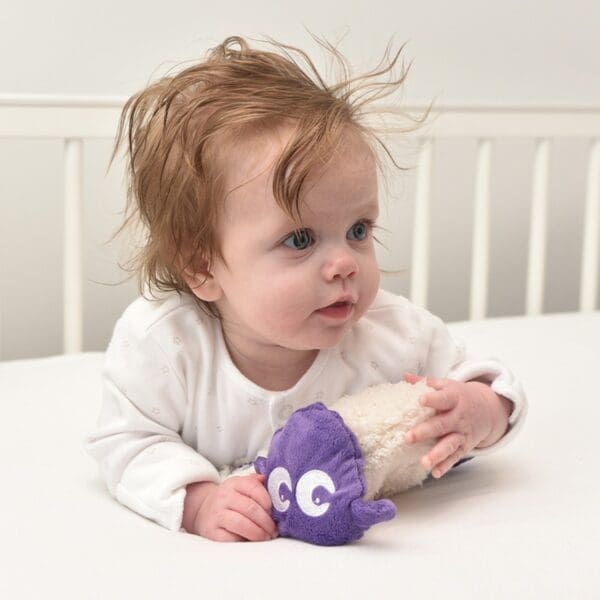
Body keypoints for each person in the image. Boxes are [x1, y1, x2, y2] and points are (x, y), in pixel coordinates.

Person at [86, 34, 527, 543]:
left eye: (358, 230)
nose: (345, 264)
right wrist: (198, 500)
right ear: (202, 266)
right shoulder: (165, 344)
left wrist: (482, 412)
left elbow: (485, 384)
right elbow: (127, 440)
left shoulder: (393, 333)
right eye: (300, 239)